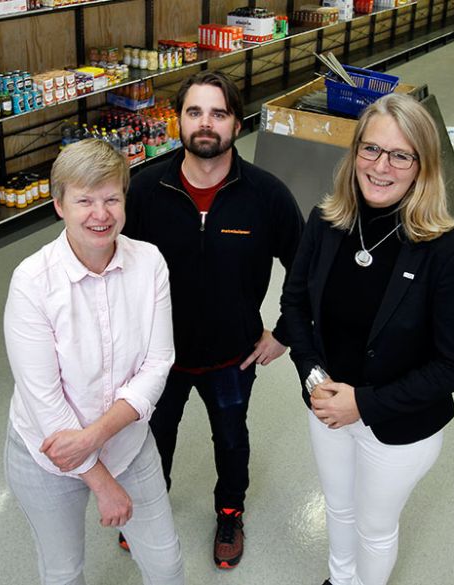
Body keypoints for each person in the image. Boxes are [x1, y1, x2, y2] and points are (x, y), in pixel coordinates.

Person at [279, 94, 454, 585]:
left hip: (398, 427)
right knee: (339, 507)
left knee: (373, 525)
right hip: (327, 405)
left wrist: (364, 404)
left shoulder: (449, 253)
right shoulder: (326, 223)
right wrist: (313, 375)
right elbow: (295, 305)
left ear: (423, 167)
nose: (381, 166)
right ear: (354, 155)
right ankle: (339, 579)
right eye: (370, 150)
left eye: (400, 155)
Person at [123, 70, 305, 569]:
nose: (206, 124)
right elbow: (114, 268)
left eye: (218, 113)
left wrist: (285, 332)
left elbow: (306, 266)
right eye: (195, 112)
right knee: (152, 438)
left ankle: (230, 512)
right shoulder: (144, 191)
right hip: (158, 358)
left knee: (230, 439)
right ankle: (147, 508)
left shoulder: (266, 196)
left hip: (234, 355)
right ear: (178, 121)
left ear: (237, 124)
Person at [3, 139, 184, 585]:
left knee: (167, 565)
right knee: (63, 572)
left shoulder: (150, 264)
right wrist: (101, 482)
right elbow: (44, 401)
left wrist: (95, 438)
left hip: (127, 444)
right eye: (84, 200)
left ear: (125, 201)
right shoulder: (32, 282)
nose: (100, 214)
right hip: (48, 457)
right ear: (59, 204)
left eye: (111, 199)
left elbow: (158, 364)